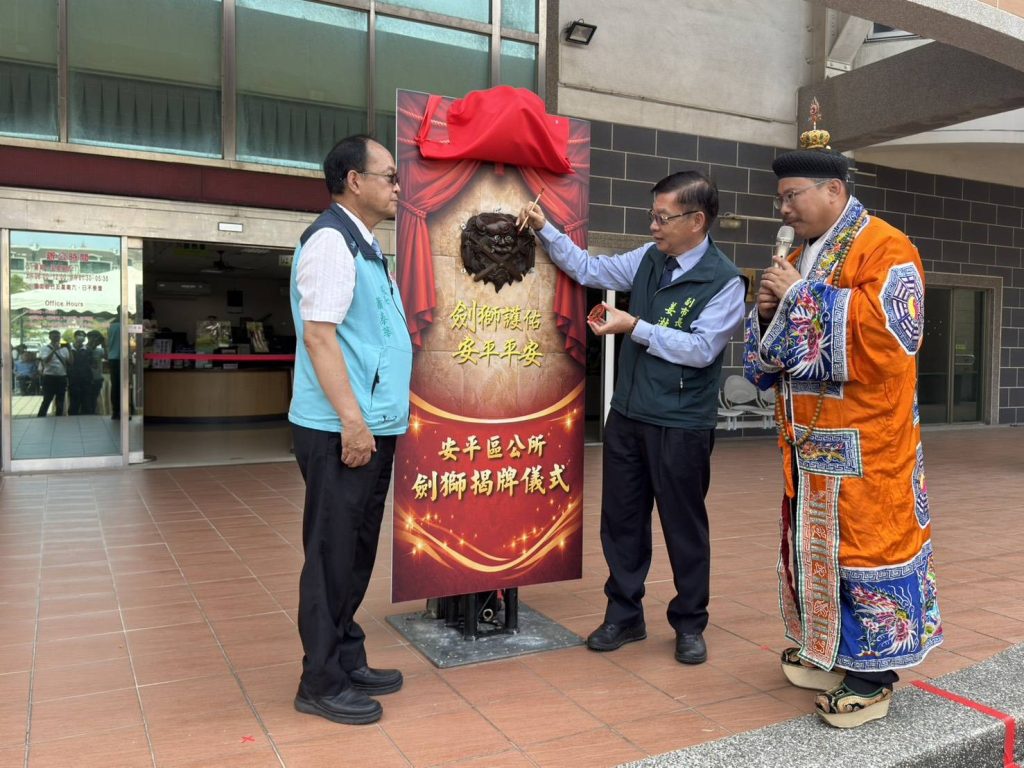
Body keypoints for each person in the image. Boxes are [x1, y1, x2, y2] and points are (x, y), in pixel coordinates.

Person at [743, 111, 942, 728]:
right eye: (780, 199)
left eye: (792, 196)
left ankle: (872, 676)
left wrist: (800, 296)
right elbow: (776, 349)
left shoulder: (887, 246)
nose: (784, 210)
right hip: (808, 442)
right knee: (813, 550)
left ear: (834, 190)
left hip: (867, 444)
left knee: (863, 550)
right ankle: (827, 649)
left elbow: (890, 338)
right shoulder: (804, 251)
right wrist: (769, 311)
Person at [519, 170, 746, 665]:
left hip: (681, 424)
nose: (653, 226)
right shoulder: (648, 258)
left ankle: (690, 623)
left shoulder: (725, 281)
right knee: (621, 522)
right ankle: (624, 615)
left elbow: (702, 349)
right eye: (652, 215)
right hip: (627, 415)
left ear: (697, 221)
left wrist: (634, 326)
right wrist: (544, 228)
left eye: (662, 218)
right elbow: (588, 268)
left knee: (683, 527)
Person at [289, 134, 412, 725]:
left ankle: (344, 655)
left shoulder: (364, 245)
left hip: (370, 426)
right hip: (344, 429)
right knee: (332, 554)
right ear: (354, 181)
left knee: (356, 551)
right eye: (389, 176)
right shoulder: (331, 242)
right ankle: (320, 681)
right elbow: (320, 336)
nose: (398, 187)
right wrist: (353, 421)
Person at [37, 330, 71, 417]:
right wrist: (54, 350)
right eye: (54, 336)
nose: (57, 338)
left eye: (58, 336)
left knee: (60, 399)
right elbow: (45, 360)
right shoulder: (45, 348)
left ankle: (59, 417)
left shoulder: (64, 349)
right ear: (50, 337)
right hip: (49, 377)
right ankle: (41, 416)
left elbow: (70, 362)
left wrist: (69, 349)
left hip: (61, 377)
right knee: (47, 399)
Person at [67, 330, 94, 415]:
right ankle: (72, 416)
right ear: (75, 337)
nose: (82, 337)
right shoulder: (69, 349)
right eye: (80, 335)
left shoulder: (88, 349)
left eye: (83, 336)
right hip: (73, 378)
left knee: (86, 400)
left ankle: (86, 417)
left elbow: (92, 363)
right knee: (74, 400)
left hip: (86, 379)